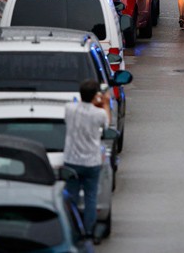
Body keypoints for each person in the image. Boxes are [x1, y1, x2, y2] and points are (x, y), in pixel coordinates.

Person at [64, 78, 111, 244]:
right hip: (91, 162)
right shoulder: (99, 113)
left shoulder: (69, 109)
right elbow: (106, 123)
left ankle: (72, 230)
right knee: (91, 198)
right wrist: (104, 102)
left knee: (71, 197)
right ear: (95, 95)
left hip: (72, 161)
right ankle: (89, 231)